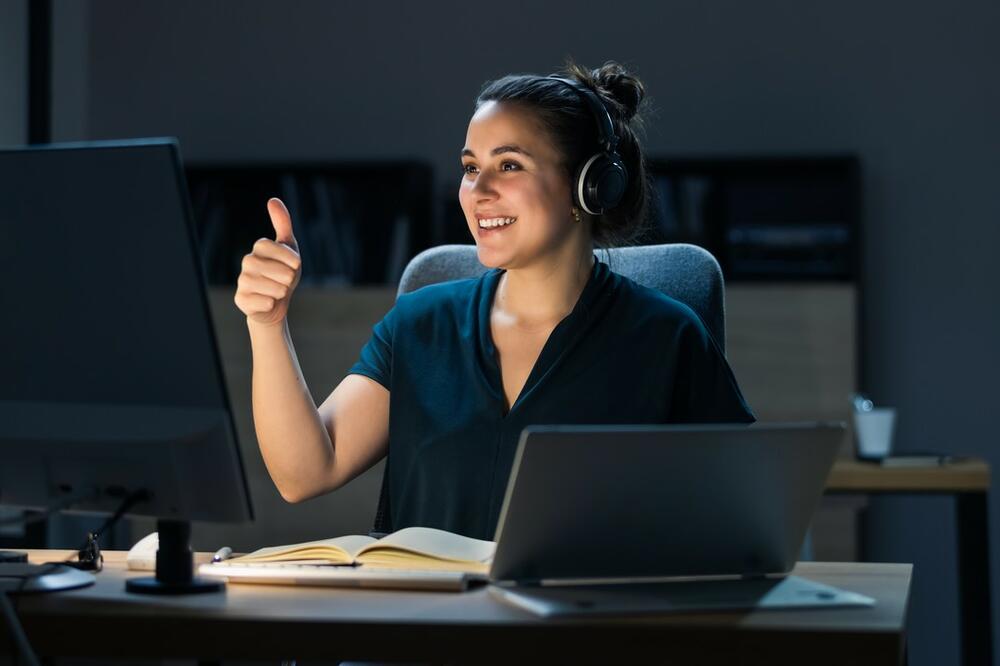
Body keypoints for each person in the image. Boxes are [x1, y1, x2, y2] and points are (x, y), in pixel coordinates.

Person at [233, 61, 754, 542]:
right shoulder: (419, 324)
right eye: (469, 166)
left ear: (589, 186)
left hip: (588, 633)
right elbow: (305, 473)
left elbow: (745, 518)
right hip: (429, 633)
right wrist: (267, 322)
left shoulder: (667, 337)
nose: (477, 190)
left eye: (508, 166)